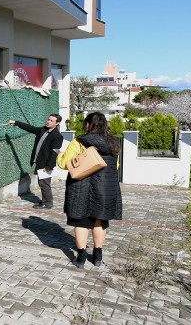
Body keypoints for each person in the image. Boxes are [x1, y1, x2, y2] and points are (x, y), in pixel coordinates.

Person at [56, 112, 122, 268]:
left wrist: (60, 156)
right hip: (106, 188)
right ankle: (98, 255)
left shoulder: (79, 142)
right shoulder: (113, 143)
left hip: (82, 188)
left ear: (88, 125)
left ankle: (81, 257)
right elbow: (116, 166)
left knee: (81, 221)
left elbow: (65, 163)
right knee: (100, 221)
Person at [9, 114, 64, 209]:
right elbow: (30, 128)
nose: (48, 121)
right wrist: (16, 123)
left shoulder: (57, 136)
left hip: (46, 164)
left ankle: (47, 203)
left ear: (57, 123)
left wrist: (49, 166)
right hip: (40, 162)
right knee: (42, 182)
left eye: (51, 120)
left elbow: (54, 153)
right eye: (48, 119)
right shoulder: (43, 130)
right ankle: (45, 201)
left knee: (44, 183)